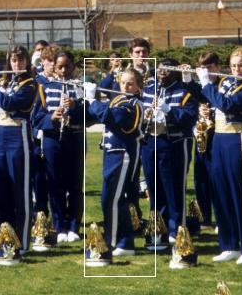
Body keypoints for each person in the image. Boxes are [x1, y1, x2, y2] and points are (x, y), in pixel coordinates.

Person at [200, 47, 242, 265]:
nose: (236, 69)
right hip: (219, 139)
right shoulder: (225, 82)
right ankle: (229, 244)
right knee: (221, 192)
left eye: (241, 65)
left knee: (241, 194)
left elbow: (227, 104)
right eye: (233, 65)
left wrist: (207, 85)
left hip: (238, 140)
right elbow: (211, 99)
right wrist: (191, 81)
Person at [0, 46, 38, 256]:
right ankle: (7, 238)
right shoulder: (3, 81)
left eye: (20, 60)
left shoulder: (30, 84)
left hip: (18, 134)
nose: (17, 64)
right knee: (1, 189)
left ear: (26, 62)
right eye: (13, 60)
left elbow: (9, 103)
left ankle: (23, 242)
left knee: (20, 189)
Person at [86, 68, 144, 257]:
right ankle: (124, 242)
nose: (125, 86)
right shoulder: (117, 100)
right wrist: (84, 99)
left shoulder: (134, 104)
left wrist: (93, 99)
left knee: (113, 199)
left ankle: (112, 243)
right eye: (123, 82)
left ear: (138, 87)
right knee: (112, 199)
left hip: (123, 155)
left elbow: (112, 117)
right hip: (112, 154)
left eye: (130, 83)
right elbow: (94, 115)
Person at [141, 59, 198, 243]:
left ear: (175, 71)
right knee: (153, 186)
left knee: (173, 186)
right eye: (160, 69)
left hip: (173, 142)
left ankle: (176, 228)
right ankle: (159, 227)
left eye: (167, 69)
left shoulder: (184, 91)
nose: (162, 72)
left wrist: (168, 110)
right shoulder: (149, 89)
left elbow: (189, 118)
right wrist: (146, 115)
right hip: (150, 140)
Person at [33, 51, 83, 243]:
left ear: (73, 67)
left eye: (67, 66)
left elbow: (92, 115)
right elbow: (36, 118)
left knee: (75, 184)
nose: (63, 71)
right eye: (60, 67)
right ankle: (60, 225)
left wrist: (76, 107)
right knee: (55, 183)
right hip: (52, 139)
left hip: (74, 137)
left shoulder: (80, 87)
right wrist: (52, 117)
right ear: (54, 67)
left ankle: (73, 226)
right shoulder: (45, 87)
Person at [182, 52, 221, 229]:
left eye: (210, 67)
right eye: (203, 68)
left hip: (219, 136)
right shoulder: (200, 85)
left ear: (217, 67)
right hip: (201, 136)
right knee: (201, 179)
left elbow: (221, 104)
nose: (206, 71)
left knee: (218, 179)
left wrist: (211, 112)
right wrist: (187, 78)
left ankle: (222, 218)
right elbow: (196, 97)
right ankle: (205, 217)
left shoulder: (223, 84)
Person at [31, 45, 59, 217]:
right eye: (49, 61)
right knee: (38, 178)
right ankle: (41, 214)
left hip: (55, 136)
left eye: (55, 61)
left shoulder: (60, 81)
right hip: (37, 136)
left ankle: (58, 216)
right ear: (43, 62)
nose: (52, 65)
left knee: (56, 179)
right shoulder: (36, 82)